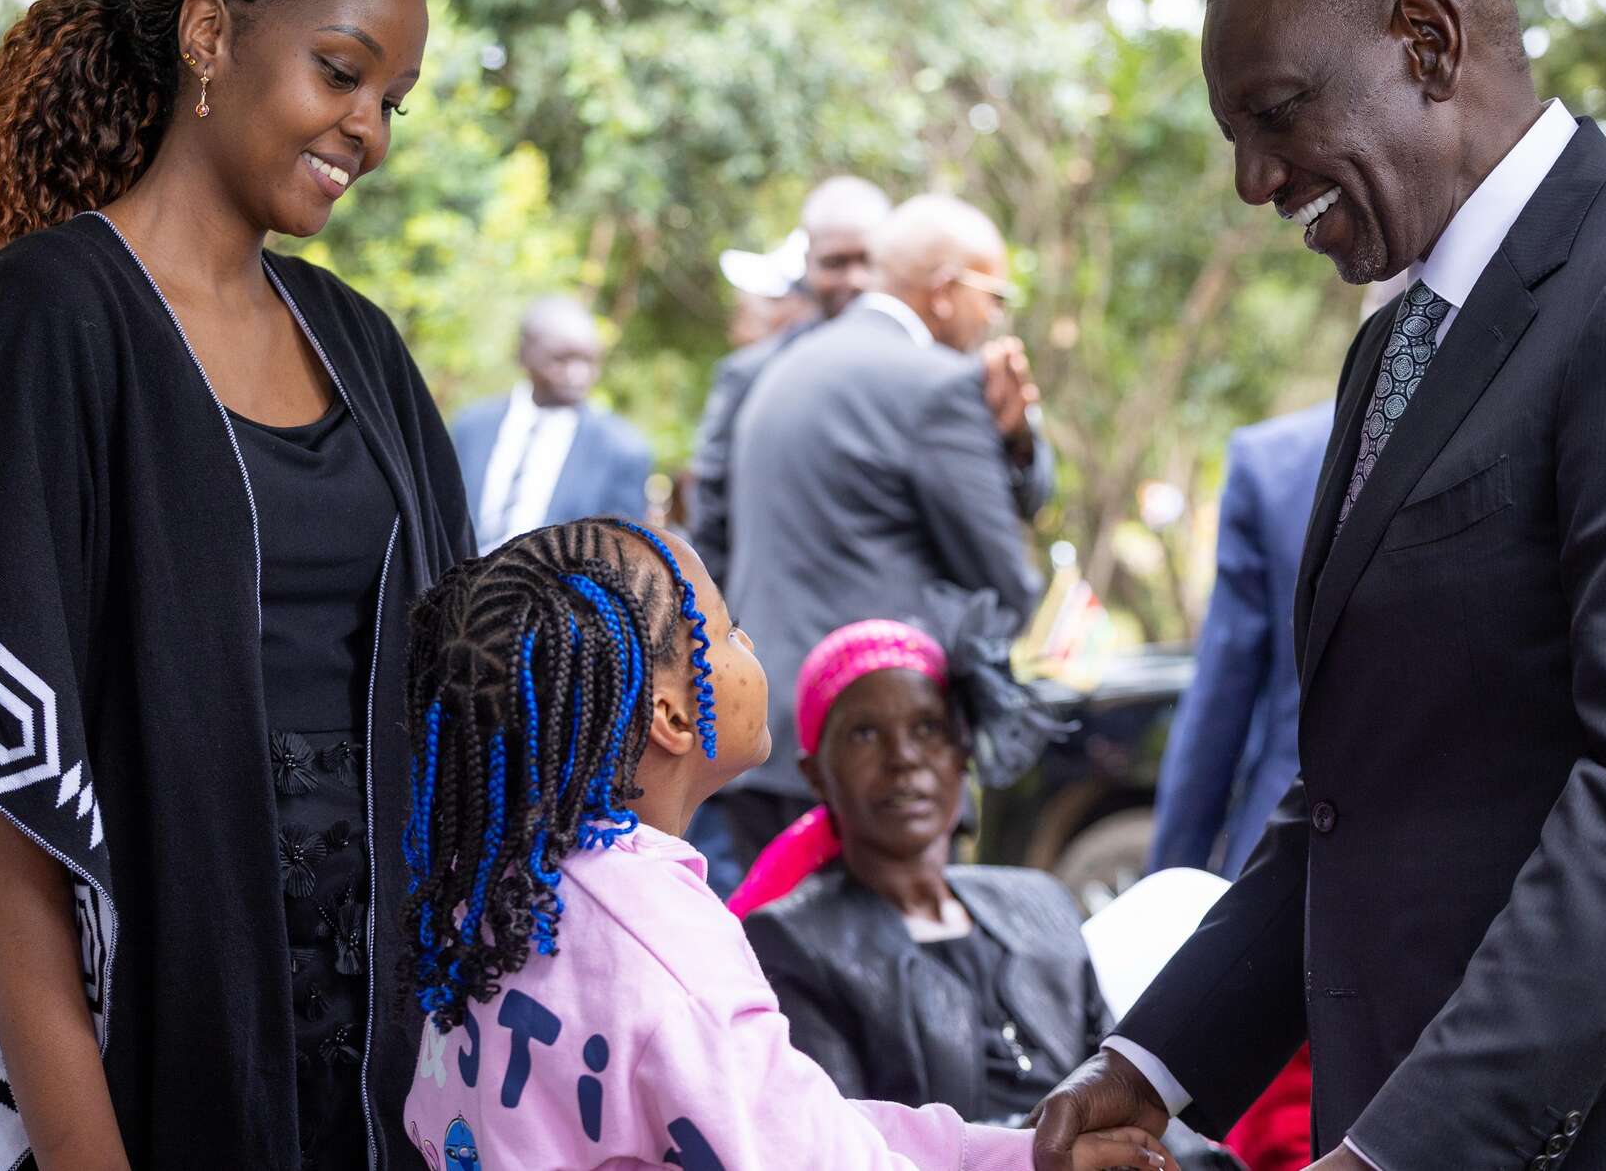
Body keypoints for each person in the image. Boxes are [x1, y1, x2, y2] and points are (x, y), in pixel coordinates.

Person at [1033, 0, 1606, 1171]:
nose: (1251, 179)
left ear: (1429, 42)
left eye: (1274, 114)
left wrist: (1410, 1148)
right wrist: (1153, 1060)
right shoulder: (1391, 345)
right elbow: (1351, 800)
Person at [0, 0, 470, 1169]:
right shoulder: (58, 316)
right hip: (141, 1062)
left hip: (370, 1079)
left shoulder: (362, 343)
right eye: (340, 72)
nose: (370, 131)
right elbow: (0, 807)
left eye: (393, 100)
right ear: (211, 37)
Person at [397, 518, 1173, 1171]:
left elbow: (797, 1117)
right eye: (727, 629)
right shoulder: (662, 937)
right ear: (671, 714)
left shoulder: (496, 898)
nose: (749, 639)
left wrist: (1016, 1154)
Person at [711, 194, 1051, 885]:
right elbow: (1005, 586)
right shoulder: (937, 387)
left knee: (776, 975)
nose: (994, 318)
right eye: (995, 295)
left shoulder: (781, 370)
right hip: (870, 755)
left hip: (759, 731)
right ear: (947, 290)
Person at [733, 617, 1110, 1122]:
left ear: (962, 752)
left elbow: (1127, 1084)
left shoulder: (1040, 902)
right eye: (865, 734)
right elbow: (844, 1144)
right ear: (817, 774)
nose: (904, 758)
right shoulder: (789, 941)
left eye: (928, 728)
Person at [1147, 400, 1332, 880]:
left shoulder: (1278, 463)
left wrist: (1171, 882)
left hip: (1283, 859)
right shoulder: (1521, 423)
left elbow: (1221, 700)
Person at [685, 174, 893, 593]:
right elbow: (711, 517)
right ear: (808, 265)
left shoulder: (930, 366)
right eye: (835, 263)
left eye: (866, 261)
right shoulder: (750, 375)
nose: (853, 279)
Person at [452, 294, 651, 554]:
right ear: (524, 353)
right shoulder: (470, 428)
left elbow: (619, 555)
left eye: (588, 361)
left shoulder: (622, 449)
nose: (576, 375)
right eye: (561, 359)